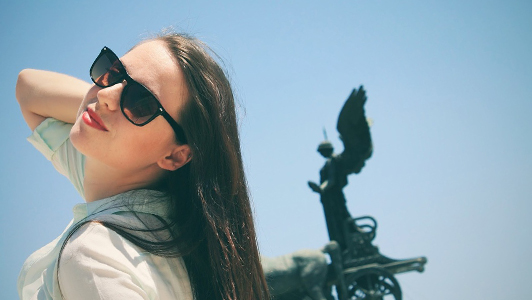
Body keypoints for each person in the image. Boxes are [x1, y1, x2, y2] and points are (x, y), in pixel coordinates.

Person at [16, 32, 269, 300]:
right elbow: (28, 87)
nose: (106, 95)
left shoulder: (93, 255)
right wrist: (108, 108)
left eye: (141, 102)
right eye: (113, 73)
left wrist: (106, 114)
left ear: (176, 156)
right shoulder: (127, 186)